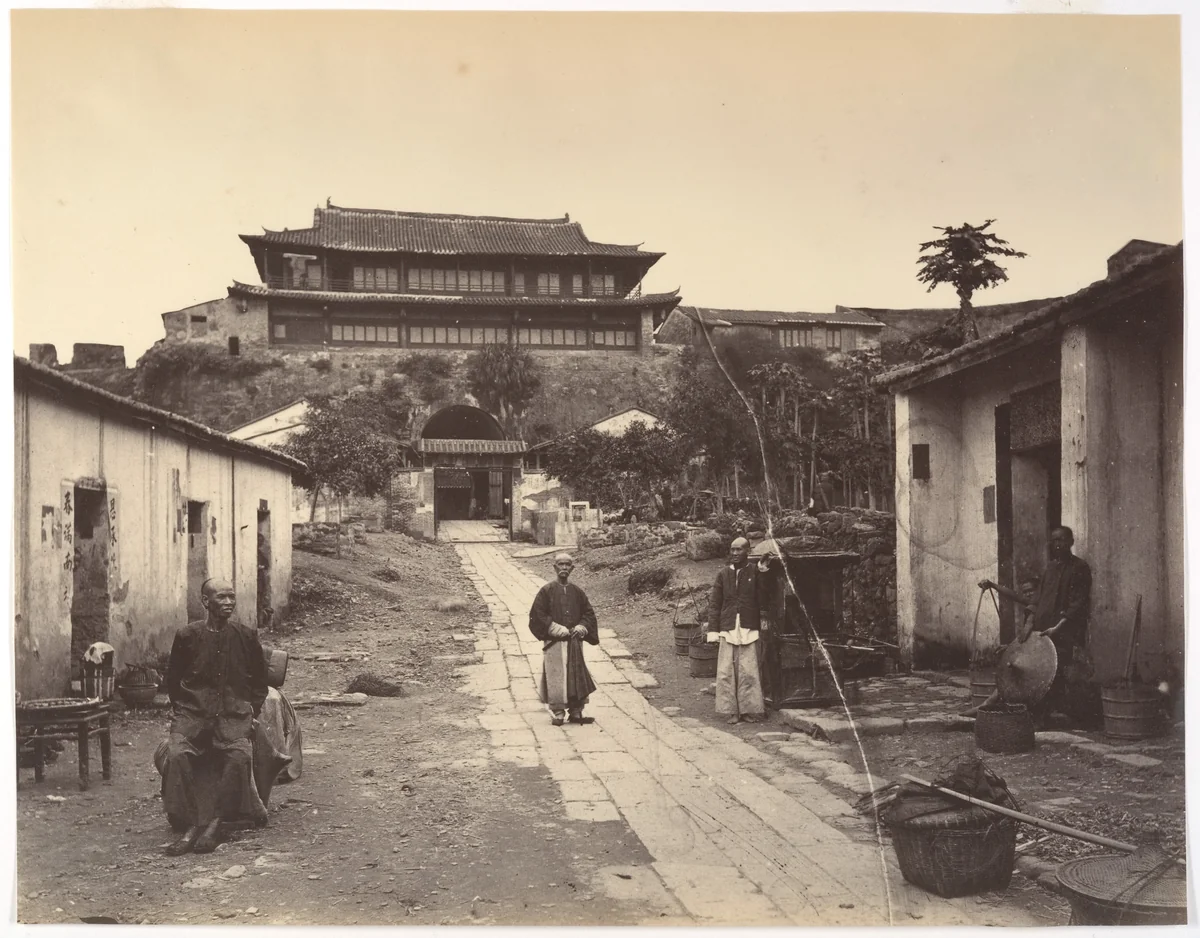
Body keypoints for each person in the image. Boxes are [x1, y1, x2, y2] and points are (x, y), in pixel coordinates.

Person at [162, 578, 269, 855]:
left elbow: (259, 682)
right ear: (205, 602)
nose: (229, 603)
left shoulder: (246, 636)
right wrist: (183, 711)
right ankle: (190, 825)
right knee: (176, 755)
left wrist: (250, 712)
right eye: (221, 598)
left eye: (231, 597)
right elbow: (173, 681)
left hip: (233, 718)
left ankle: (216, 824)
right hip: (193, 716)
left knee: (240, 756)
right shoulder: (186, 636)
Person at [979, 525, 1092, 723]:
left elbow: (1078, 603)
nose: (1058, 544)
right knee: (1038, 670)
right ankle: (1037, 713)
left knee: (1057, 670)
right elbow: (1038, 600)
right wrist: (1031, 622)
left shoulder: (1079, 567)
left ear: (1071, 542)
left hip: (1064, 630)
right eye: (1054, 540)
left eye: (1062, 540)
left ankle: (1048, 715)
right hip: (1043, 631)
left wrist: (1058, 627)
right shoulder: (1051, 568)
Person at [529, 553, 599, 726]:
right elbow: (537, 614)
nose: (564, 568)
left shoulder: (577, 592)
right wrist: (553, 627)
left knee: (576, 675)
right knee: (556, 676)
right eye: (561, 564)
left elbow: (588, 613)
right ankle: (558, 713)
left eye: (568, 565)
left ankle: (576, 712)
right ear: (554, 567)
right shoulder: (546, 591)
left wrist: (582, 627)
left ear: (572, 568)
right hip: (555, 642)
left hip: (574, 642)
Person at [707, 537, 769, 724]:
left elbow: (763, 597)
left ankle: (748, 710)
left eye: (739, 550)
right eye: (732, 550)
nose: (734, 554)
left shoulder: (755, 572)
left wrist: (764, 573)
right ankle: (730, 711)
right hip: (728, 628)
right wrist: (713, 630)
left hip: (748, 627)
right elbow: (715, 604)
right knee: (726, 672)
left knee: (748, 671)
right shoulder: (723, 574)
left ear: (747, 551)